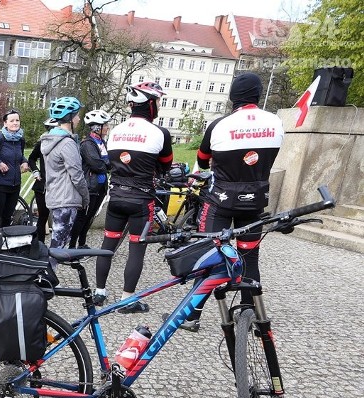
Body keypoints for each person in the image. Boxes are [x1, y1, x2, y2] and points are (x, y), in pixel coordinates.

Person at [175, 72, 284, 332]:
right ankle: (249, 313)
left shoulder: (219, 125)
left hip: (220, 201)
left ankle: (192, 316)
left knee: (207, 254)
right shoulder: (275, 122)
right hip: (255, 201)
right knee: (249, 256)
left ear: (233, 97)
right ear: (257, 95)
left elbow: (202, 161)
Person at [94, 81, 172, 313]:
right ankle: (127, 300)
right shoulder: (160, 132)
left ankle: (100, 292)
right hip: (141, 199)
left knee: (108, 244)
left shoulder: (116, 130)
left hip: (116, 195)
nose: (158, 105)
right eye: (157, 101)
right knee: (136, 249)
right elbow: (166, 166)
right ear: (149, 104)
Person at [39, 97, 88, 263]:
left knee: (58, 241)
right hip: (66, 198)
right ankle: (46, 279)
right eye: (77, 115)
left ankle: (46, 278)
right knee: (58, 245)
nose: (79, 118)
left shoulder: (51, 140)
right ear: (70, 118)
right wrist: (85, 197)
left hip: (56, 195)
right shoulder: (66, 143)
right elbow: (77, 175)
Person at [71, 109, 112, 248]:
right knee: (82, 217)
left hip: (100, 187)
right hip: (90, 187)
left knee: (90, 217)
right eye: (105, 125)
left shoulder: (101, 142)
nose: (107, 127)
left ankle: (82, 244)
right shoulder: (87, 144)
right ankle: (72, 246)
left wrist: (107, 164)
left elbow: (106, 162)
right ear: (97, 127)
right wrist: (108, 164)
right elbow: (97, 165)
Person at [0, 109, 29, 230]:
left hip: (15, 185)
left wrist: (24, 162)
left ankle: (3, 245)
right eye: (12, 121)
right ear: (5, 123)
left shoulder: (20, 140)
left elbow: (19, 156)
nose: (15, 123)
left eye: (17, 120)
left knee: (8, 218)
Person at [26, 118, 58, 242]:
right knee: (43, 217)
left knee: (59, 219)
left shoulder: (66, 144)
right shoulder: (42, 143)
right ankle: (40, 246)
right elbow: (31, 158)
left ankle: (57, 248)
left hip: (59, 185)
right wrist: (35, 171)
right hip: (43, 185)